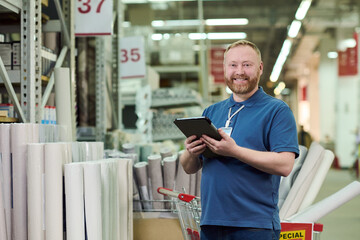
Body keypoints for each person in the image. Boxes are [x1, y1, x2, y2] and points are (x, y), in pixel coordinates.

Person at [180, 40, 299, 240]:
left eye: (247, 64)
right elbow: (189, 167)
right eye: (233, 65)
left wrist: (234, 151)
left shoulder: (276, 111)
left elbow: (285, 164)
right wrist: (190, 152)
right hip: (211, 222)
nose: (239, 71)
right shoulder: (211, 112)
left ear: (260, 68)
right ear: (225, 68)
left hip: (254, 226)